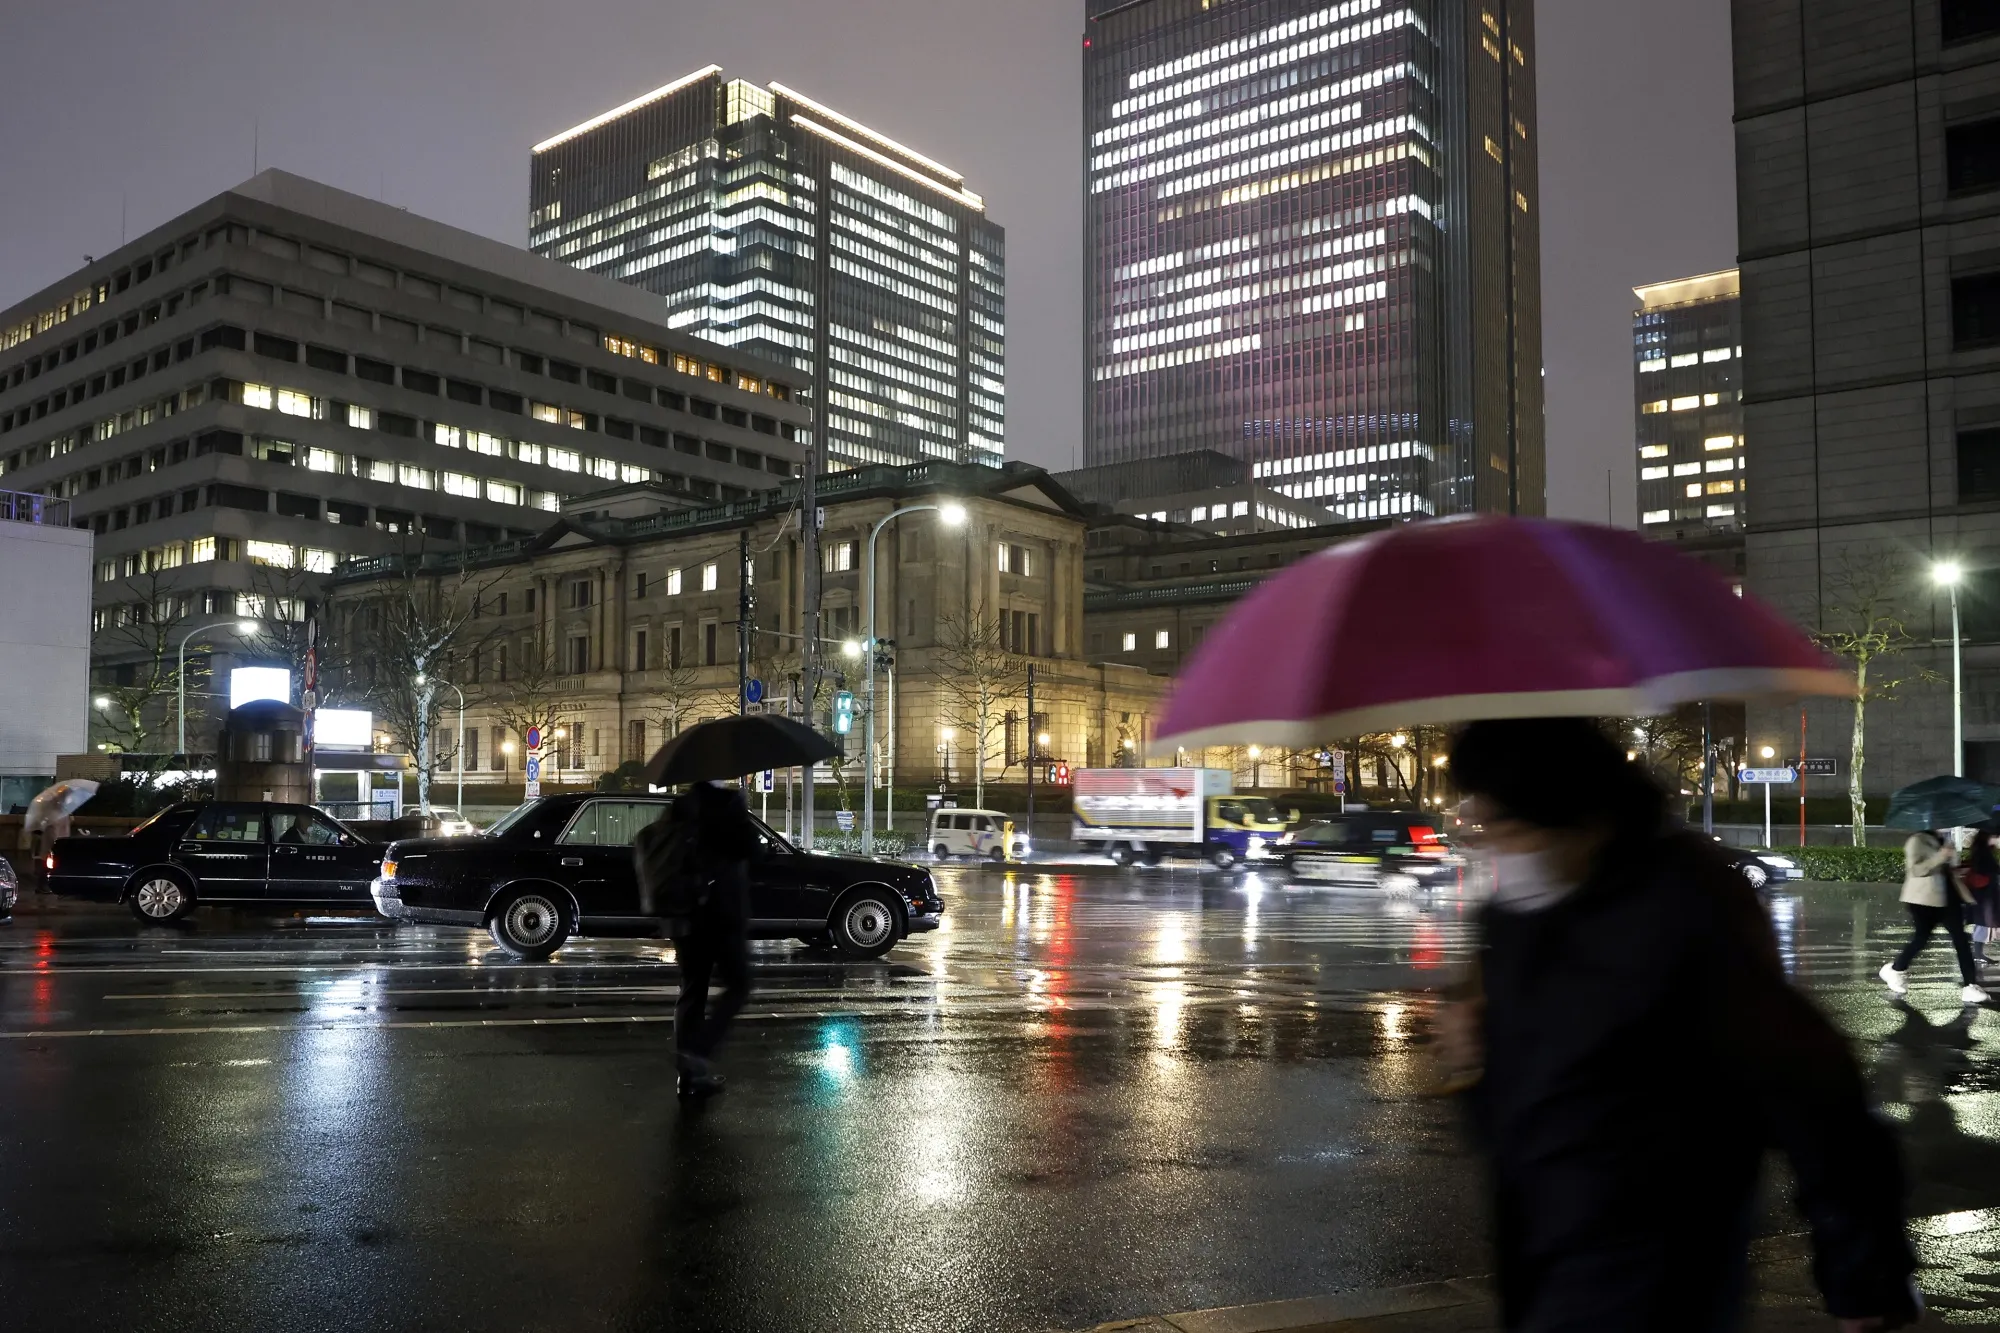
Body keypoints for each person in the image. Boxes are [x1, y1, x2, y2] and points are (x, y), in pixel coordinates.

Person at [1439, 718, 1917, 1332]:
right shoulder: (1512, 919)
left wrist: (1863, 1274)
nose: (1487, 842)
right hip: (1542, 1246)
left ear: (1584, 821)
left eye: (1505, 825)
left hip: (1658, 1256)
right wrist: (1472, 1053)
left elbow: (1813, 1093)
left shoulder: (1687, 909)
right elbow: (1525, 1108)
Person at [641, 781, 757, 1101]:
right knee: (739, 985)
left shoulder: (679, 809)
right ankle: (700, 1052)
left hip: (683, 918)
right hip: (721, 916)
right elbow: (753, 851)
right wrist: (742, 811)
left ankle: (689, 1074)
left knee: (692, 990)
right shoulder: (728, 805)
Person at [1880, 827, 1986, 1004]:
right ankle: (1896, 969)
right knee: (1921, 939)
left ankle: (1970, 986)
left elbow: (1947, 869)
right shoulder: (1916, 840)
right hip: (1923, 900)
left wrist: (1954, 865)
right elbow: (1916, 870)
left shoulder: (1944, 840)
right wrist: (1941, 856)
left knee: (1961, 940)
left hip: (1949, 897)